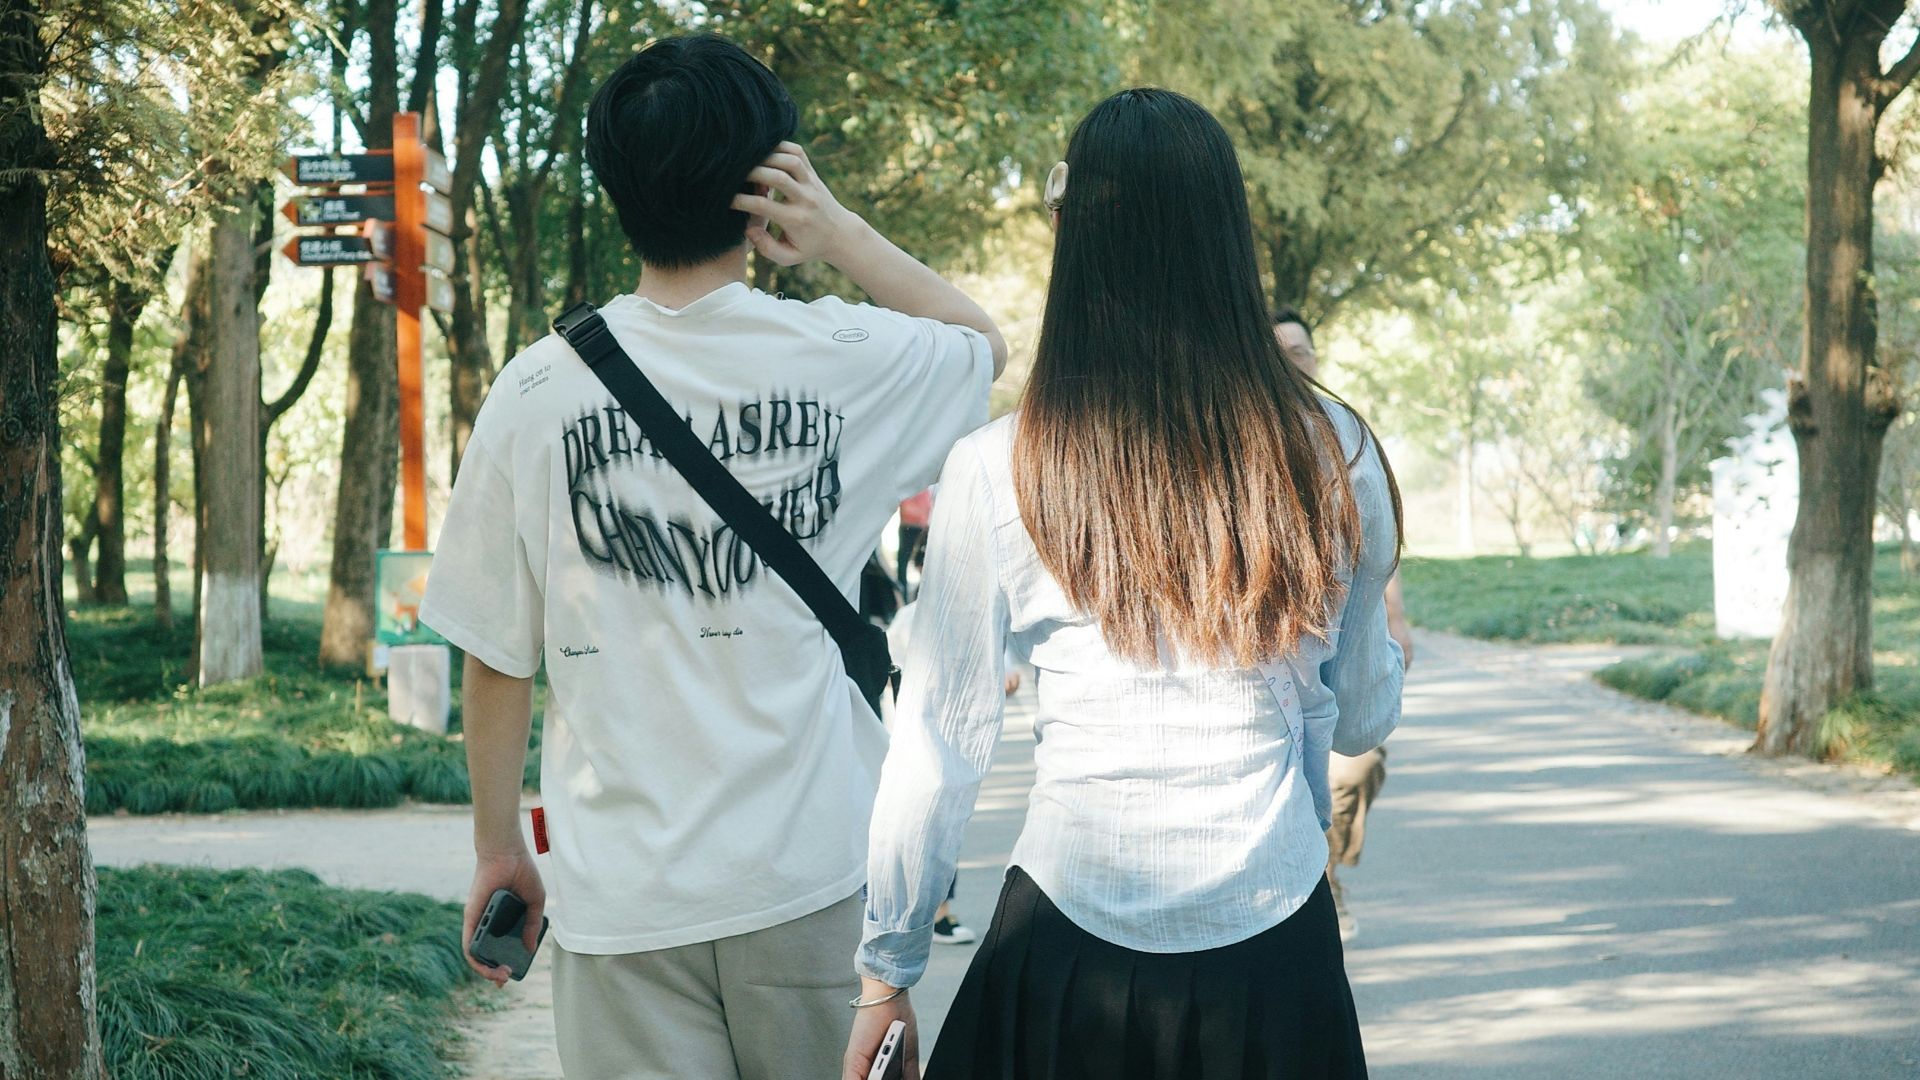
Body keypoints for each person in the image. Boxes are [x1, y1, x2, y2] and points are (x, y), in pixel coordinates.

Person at [419, 32, 1006, 1080]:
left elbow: (500, 652)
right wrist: (838, 234)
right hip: (814, 877)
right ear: (764, 184)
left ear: (613, 189)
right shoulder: (842, 359)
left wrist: (499, 849)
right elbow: (979, 342)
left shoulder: (535, 392)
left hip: (621, 898)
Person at [846, 88, 1404, 1080]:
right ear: (1230, 237)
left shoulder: (1002, 465)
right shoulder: (1337, 455)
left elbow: (938, 745)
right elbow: (1361, 718)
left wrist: (886, 973)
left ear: (1079, 246)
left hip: (1066, 945)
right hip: (1274, 948)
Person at [1273, 306, 1416, 940]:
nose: (1291, 363)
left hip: (1340, 658)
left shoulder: (1343, 442)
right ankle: (1321, 880)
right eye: (1278, 351)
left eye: (1300, 352)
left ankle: (1328, 867)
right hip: (1276, 677)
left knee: (1356, 766)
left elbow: (1378, 554)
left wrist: (1396, 618)